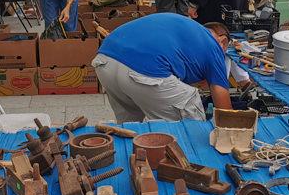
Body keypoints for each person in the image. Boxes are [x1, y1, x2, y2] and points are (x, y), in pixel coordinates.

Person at [92, 14, 233, 123]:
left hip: (105, 61)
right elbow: (224, 111)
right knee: (191, 127)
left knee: (131, 126)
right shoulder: (214, 47)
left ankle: (131, 157)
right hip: (143, 69)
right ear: (223, 41)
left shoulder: (188, 30)